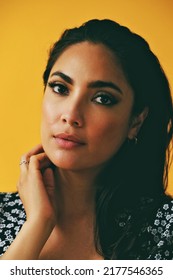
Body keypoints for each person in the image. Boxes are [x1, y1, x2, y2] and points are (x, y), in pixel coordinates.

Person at [0, 19, 173, 260]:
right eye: (60, 88)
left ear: (136, 121)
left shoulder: (166, 230)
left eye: (103, 98)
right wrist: (38, 224)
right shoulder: (2, 215)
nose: (70, 116)